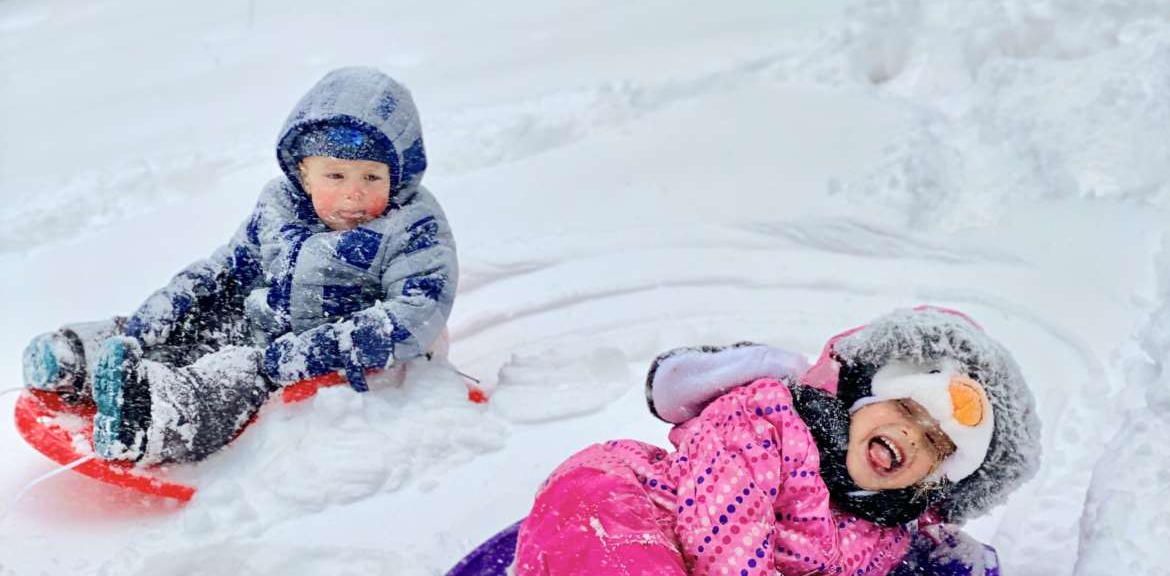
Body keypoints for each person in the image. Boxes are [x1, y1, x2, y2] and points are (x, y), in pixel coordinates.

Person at [21, 66, 457, 465]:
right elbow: (229, 266)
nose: (353, 195)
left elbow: (415, 313)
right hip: (263, 324)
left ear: (398, 177)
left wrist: (308, 352)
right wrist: (169, 305)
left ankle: (151, 420)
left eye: (372, 178)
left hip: (333, 356)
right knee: (195, 324)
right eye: (335, 177)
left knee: (234, 376)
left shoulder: (410, 226)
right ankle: (86, 359)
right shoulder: (280, 206)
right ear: (303, 174)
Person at [511, 307, 1040, 576]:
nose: (908, 434)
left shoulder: (883, 538)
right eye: (904, 409)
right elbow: (725, 533)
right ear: (856, 395)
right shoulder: (771, 422)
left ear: (933, 483)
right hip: (626, 507)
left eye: (934, 444)